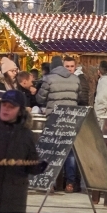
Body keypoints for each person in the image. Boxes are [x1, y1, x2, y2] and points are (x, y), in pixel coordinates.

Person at [35, 56, 81, 193]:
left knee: (51, 150)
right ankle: (70, 183)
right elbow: (78, 96)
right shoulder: (76, 79)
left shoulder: (48, 79)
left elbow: (40, 98)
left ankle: (51, 183)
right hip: (70, 118)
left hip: (53, 118)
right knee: (69, 152)